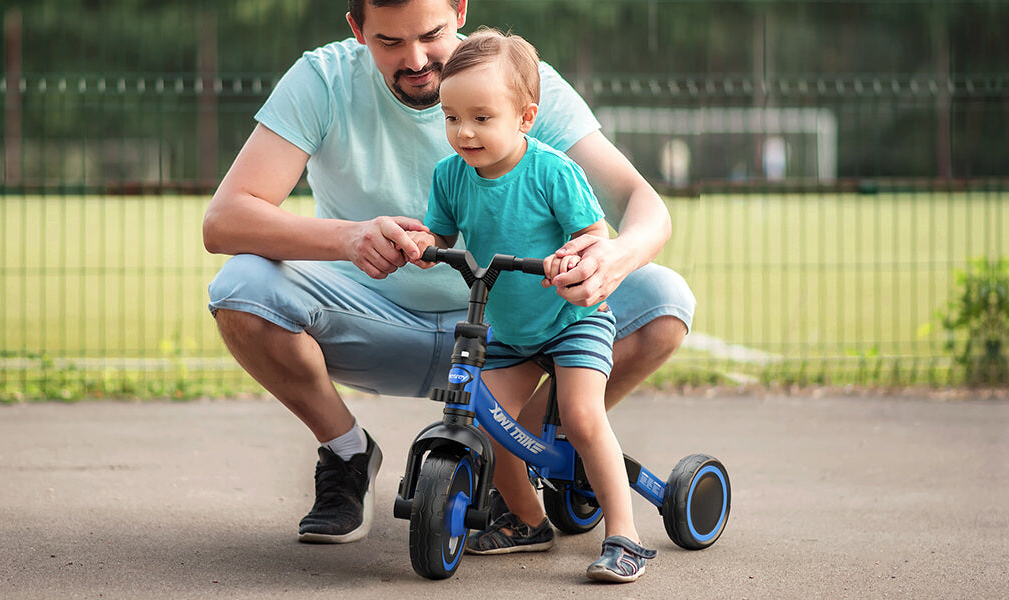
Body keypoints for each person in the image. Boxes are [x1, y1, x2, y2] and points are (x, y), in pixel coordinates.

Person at [202, 0, 694, 550]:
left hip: (516, 326)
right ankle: (346, 453)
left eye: (431, 34)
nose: (415, 60)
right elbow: (223, 222)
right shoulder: (322, 79)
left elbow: (643, 205)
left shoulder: (518, 80)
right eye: (388, 42)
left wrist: (611, 259)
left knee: (664, 300)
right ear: (356, 28)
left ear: (459, 10)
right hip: (377, 320)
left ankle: (524, 461)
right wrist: (349, 238)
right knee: (240, 286)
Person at [403, 27, 655, 582]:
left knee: (585, 417)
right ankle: (528, 520)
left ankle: (625, 535)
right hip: (511, 327)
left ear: (524, 116)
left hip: (572, 320)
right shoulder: (450, 177)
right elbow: (440, 236)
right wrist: (425, 248)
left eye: (481, 118)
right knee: (489, 421)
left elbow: (594, 235)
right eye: (451, 118)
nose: (463, 132)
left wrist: (574, 256)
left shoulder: (552, 171)